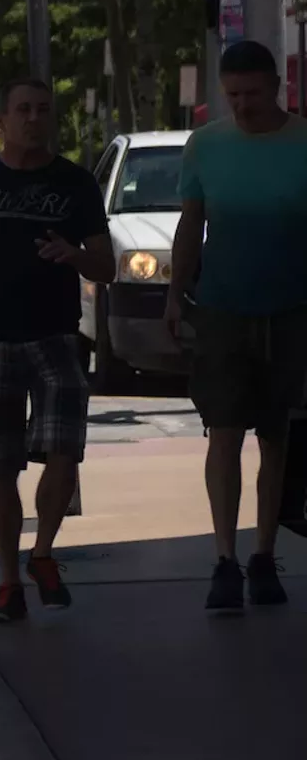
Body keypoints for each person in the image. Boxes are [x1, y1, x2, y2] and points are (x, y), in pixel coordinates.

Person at [0, 78, 114, 623]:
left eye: (43, 109)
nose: (34, 118)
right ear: (2, 121)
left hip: (57, 338)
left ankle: (43, 553)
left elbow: (106, 267)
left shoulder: (76, 183)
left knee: (64, 450)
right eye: (24, 109)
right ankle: (9, 582)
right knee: (1, 466)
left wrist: (73, 254)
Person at [165, 40, 307, 612]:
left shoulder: (302, 142)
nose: (243, 105)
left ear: (275, 86)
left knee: (277, 435)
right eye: (233, 95)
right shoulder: (206, 146)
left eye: (252, 93)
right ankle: (224, 558)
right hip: (223, 308)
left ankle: (263, 554)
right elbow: (190, 224)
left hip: (292, 309)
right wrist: (174, 293)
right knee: (223, 431)